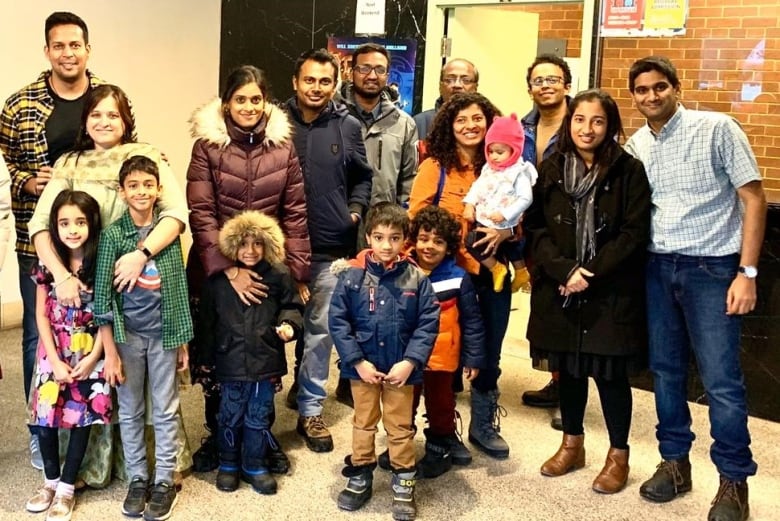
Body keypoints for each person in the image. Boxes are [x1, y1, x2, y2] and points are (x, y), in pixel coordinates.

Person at [26, 84, 193, 489]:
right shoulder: (69, 162)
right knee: (87, 370)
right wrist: (62, 278)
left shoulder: (147, 158)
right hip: (82, 290)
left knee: (142, 379)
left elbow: (175, 213)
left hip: (138, 289)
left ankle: (146, 469)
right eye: (96, 114)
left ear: (126, 120)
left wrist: (142, 254)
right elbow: (40, 225)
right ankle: (81, 464)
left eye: (113, 115)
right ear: (85, 120)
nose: (104, 122)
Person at [625, 56, 765, 521]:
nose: (651, 96)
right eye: (641, 90)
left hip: (713, 269)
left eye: (659, 87)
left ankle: (733, 481)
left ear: (676, 87)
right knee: (665, 372)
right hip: (658, 269)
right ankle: (675, 463)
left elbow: (753, 197)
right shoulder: (637, 145)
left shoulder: (717, 128)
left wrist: (747, 273)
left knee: (722, 382)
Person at [524, 89, 651, 494]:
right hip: (561, 285)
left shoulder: (628, 170)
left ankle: (618, 455)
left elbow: (634, 233)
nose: (587, 129)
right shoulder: (552, 168)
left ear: (610, 126)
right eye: (580, 120)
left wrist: (588, 272)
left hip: (608, 289)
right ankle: (572, 445)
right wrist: (565, 270)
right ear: (569, 122)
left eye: (597, 121)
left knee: (610, 376)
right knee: (572, 370)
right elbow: (536, 228)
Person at [186, 64, 310, 470]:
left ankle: (258, 435)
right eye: (241, 99)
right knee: (218, 352)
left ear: (266, 101)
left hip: (266, 266)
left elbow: (294, 212)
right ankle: (217, 437)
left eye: (256, 99)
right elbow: (201, 213)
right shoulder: (207, 146)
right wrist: (226, 268)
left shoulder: (283, 146)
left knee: (261, 350)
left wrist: (296, 272)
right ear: (227, 103)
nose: (249, 106)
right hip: (216, 269)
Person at [0, 11, 108, 470]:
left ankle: (89, 430)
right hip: (39, 247)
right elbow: (12, 168)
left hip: (95, 247)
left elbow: (119, 159)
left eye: (75, 45)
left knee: (94, 333)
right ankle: (41, 428)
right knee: (36, 338)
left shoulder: (105, 98)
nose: (68, 53)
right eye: (58, 45)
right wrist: (30, 182)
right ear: (47, 51)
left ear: (87, 48)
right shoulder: (18, 105)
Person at [408, 92, 513, 460]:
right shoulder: (434, 167)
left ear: (491, 123)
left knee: (489, 351)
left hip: (491, 274)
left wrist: (507, 233)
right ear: (449, 127)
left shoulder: (505, 167)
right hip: (446, 276)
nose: (471, 126)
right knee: (443, 355)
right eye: (461, 120)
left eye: (478, 119)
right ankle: (444, 429)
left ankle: (483, 425)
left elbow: (523, 217)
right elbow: (416, 223)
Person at [94, 155, 193, 521]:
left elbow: (178, 289)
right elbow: (102, 296)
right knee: (132, 408)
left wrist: (182, 341)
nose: (141, 191)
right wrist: (110, 352)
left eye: (147, 185)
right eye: (133, 185)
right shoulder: (112, 236)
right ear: (122, 191)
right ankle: (138, 477)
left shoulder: (166, 234)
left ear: (158, 189)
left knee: (165, 408)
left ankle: (164, 480)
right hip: (127, 339)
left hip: (165, 336)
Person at [283, 49, 373, 447]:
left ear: (334, 84)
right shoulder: (274, 123)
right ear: (295, 82)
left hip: (329, 247)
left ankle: (311, 412)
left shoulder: (348, 126)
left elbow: (362, 179)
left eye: (324, 81)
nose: (316, 88)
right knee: (267, 333)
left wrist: (352, 213)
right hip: (276, 250)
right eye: (309, 80)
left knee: (320, 333)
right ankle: (255, 414)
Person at [329, 202, 439, 521]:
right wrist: (356, 361)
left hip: (401, 371)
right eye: (379, 237)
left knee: (399, 426)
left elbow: (428, 323)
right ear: (368, 238)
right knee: (363, 421)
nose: (386, 245)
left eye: (394, 238)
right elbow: (338, 321)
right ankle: (361, 471)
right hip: (361, 367)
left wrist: (410, 362)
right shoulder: (351, 277)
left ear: (405, 239)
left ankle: (404, 479)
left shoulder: (417, 279)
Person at [196, 210, 304, 495]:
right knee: (229, 415)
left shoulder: (279, 274)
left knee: (258, 416)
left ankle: (255, 463)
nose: (250, 251)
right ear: (231, 246)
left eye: (257, 243)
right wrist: (204, 359)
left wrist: (289, 325)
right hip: (228, 362)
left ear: (268, 244)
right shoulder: (218, 280)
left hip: (265, 360)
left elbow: (292, 305)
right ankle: (229, 463)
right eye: (243, 244)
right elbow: (207, 321)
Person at [25, 191, 110, 521]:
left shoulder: (101, 263)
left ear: (92, 224)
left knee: (82, 419)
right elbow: (40, 316)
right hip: (53, 354)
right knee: (45, 419)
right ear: (55, 227)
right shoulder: (48, 266)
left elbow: (107, 313)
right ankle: (50, 481)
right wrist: (55, 360)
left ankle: (67, 488)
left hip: (91, 354)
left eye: (80, 222)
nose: (72, 229)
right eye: (64, 223)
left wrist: (94, 358)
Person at [408, 205, 485, 476]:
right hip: (406, 359)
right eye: (424, 238)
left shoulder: (458, 278)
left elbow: (472, 321)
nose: (429, 246)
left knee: (441, 407)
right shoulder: (401, 272)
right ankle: (400, 447)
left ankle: (440, 450)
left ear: (449, 247)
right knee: (402, 405)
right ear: (414, 239)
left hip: (442, 361)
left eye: (438, 241)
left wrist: (473, 358)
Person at [520, 53, 574, 425]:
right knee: (545, 310)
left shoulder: (583, 122)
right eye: (538, 80)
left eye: (552, 79)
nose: (545, 86)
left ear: (567, 85)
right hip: (532, 227)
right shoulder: (521, 126)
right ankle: (556, 381)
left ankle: (569, 396)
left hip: (570, 230)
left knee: (569, 310)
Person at [463, 113, 537, 293]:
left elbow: (526, 198)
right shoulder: (488, 168)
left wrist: (506, 215)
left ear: (514, 150)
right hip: (486, 216)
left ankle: (502, 268)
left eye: (500, 152)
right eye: (490, 151)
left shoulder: (519, 172)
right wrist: (469, 204)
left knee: (480, 243)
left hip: (505, 219)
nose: (494, 156)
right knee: (479, 243)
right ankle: (513, 270)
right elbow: (477, 187)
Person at [341, 44, 418, 212]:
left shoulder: (404, 123)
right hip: (339, 221)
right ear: (351, 72)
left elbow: (409, 181)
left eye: (380, 70)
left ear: (387, 76)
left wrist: (402, 218)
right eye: (364, 69)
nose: (372, 76)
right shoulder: (334, 117)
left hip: (384, 226)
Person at [414, 58, 479, 142]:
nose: (457, 85)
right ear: (440, 86)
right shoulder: (420, 123)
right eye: (450, 80)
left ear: (475, 87)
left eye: (465, 80)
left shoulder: (486, 123)